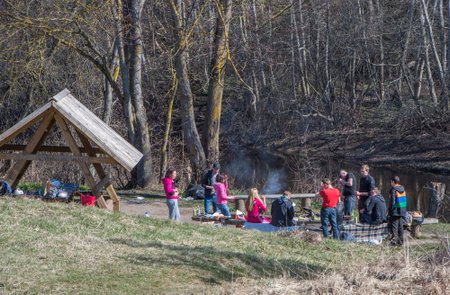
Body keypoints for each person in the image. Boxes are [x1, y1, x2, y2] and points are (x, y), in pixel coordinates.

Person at [388, 176, 407, 246]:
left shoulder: (393, 189)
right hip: (402, 210)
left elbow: (392, 201)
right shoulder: (403, 189)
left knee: (394, 226)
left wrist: (390, 210)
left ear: (393, 182)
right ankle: (401, 241)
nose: (390, 183)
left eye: (391, 181)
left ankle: (394, 242)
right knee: (400, 226)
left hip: (395, 210)